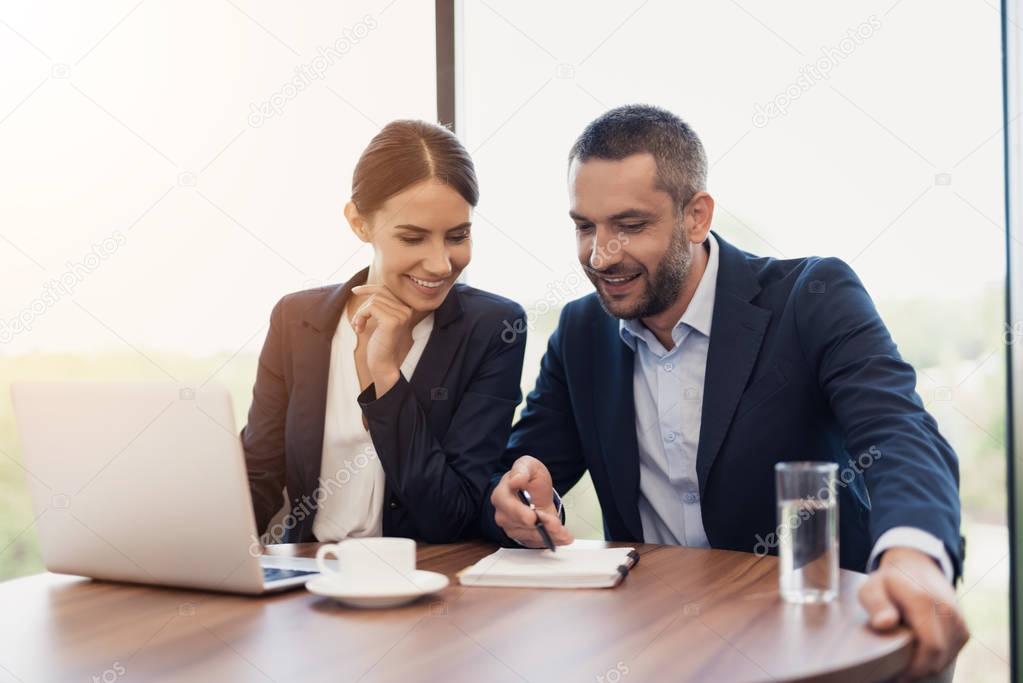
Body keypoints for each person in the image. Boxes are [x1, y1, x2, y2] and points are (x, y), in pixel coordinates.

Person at [482, 105, 968, 680]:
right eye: (585, 226)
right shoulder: (581, 332)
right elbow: (523, 474)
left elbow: (898, 431)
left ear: (696, 216)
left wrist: (912, 555)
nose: (600, 255)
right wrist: (520, 497)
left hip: (819, 637)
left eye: (630, 226)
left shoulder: (812, 295)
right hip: (655, 647)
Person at [243, 119, 526, 545]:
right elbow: (258, 481)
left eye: (457, 236)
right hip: (309, 584)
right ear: (359, 223)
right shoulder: (296, 320)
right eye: (413, 238)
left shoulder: (493, 329)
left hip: (429, 582)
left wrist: (387, 377)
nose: (440, 264)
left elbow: (450, 515)